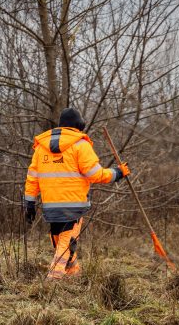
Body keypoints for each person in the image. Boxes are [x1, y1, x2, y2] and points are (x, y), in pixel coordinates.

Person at [23, 108, 130, 279]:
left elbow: (32, 179)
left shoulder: (41, 148)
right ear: (78, 126)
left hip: (50, 206)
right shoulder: (81, 145)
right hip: (74, 205)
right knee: (65, 244)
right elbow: (95, 174)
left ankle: (72, 274)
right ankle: (54, 279)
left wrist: (29, 204)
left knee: (60, 241)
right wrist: (117, 173)